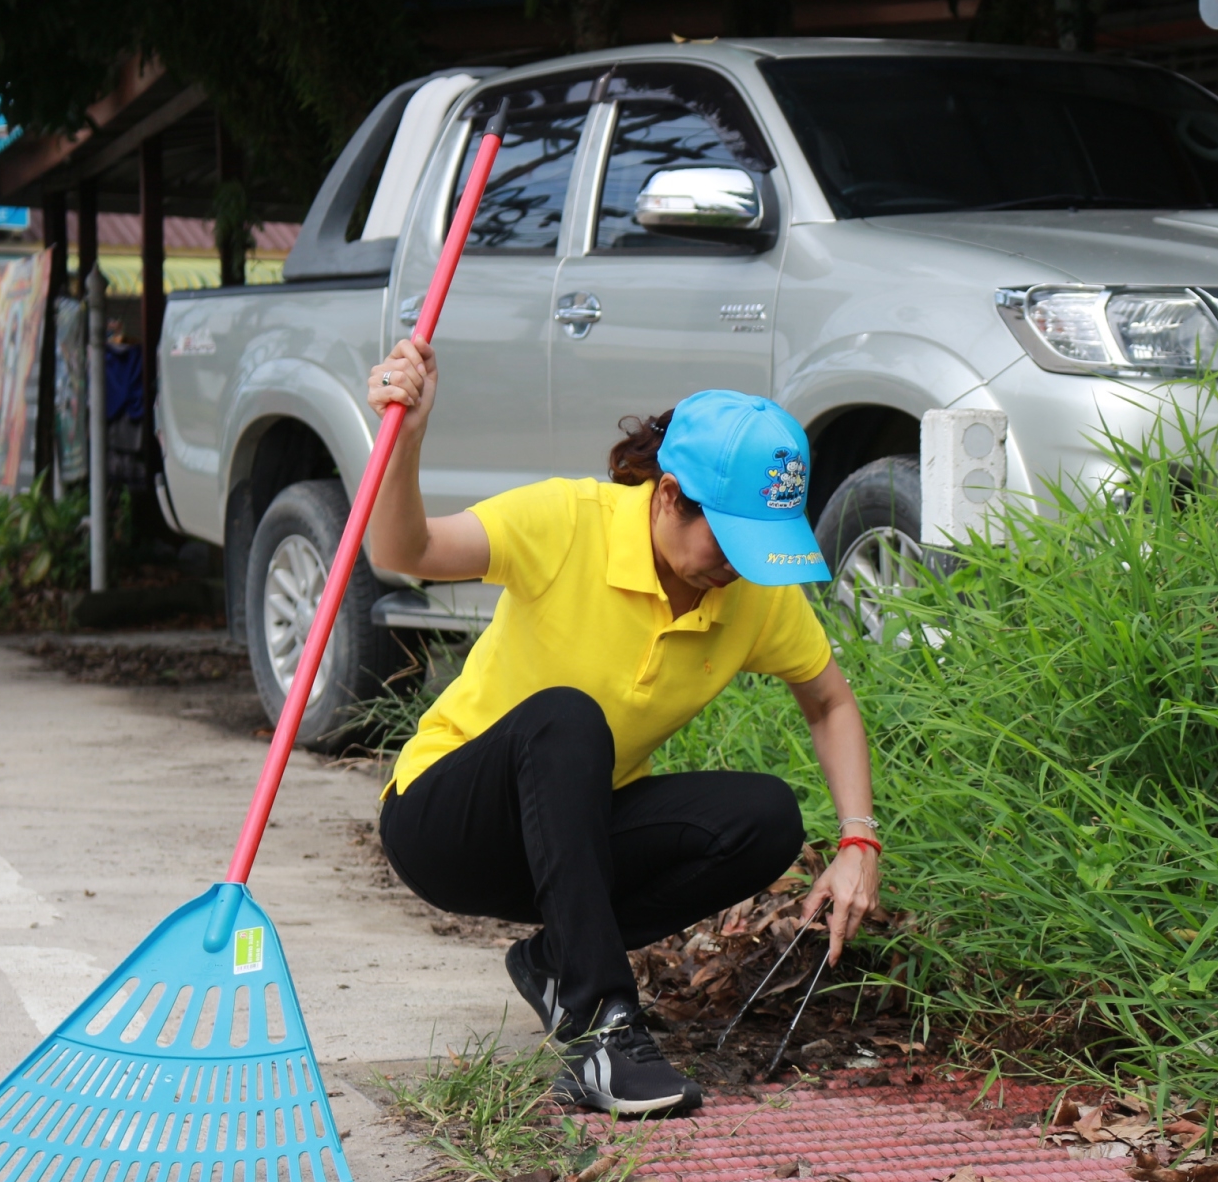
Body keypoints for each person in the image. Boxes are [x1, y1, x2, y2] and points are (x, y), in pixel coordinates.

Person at [365, 337, 881, 1116]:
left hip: (570, 836)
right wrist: (403, 440)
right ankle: (602, 1030)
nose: (741, 567)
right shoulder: (567, 520)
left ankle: (555, 961)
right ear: (670, 494)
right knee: (566, 716)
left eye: (760, 547)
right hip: (446, 819)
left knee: (767, 817)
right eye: (730, 542)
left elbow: (830, 702)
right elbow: (404, 548)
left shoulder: (753, 589)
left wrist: (858, 841)